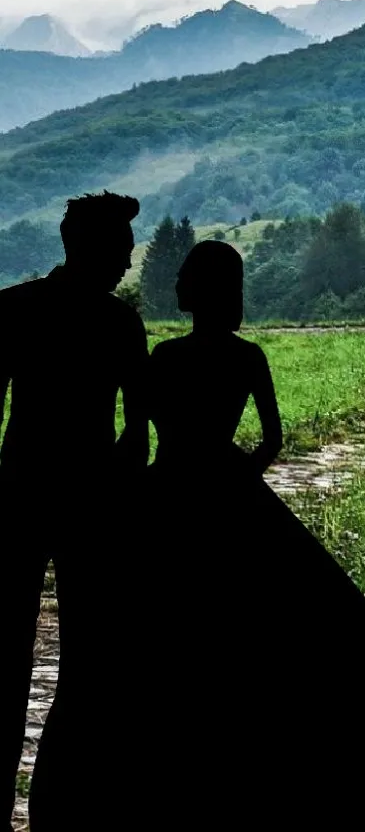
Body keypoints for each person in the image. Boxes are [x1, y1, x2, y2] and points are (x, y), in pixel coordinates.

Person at [142, 240, 365, 824]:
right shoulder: (249, 356)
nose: (178, 281)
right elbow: (272, 440)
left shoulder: (164, 357)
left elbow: (141, 433)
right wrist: (237, 483)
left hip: (169, 493)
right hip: (232, 493)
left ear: (197, 289)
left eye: (185, 274)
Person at [0, 190, 149, 831]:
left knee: (6, 646)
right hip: (93, 497)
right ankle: (68, 803)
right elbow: (137, 430)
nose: (127, 259)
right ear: (93, 247)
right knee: (90, 654)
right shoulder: (119, 323)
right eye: (121, 248)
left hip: (20, 489)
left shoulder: (16, 308)